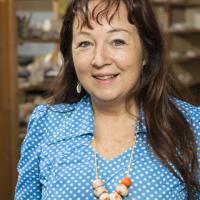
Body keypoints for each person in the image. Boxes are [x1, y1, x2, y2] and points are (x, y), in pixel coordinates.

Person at [15, 0, 200, 199]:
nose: (99, 59)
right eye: (85, 43)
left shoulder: (191, 124)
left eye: (117, 41)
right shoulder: (46, 124)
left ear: (146, 52)